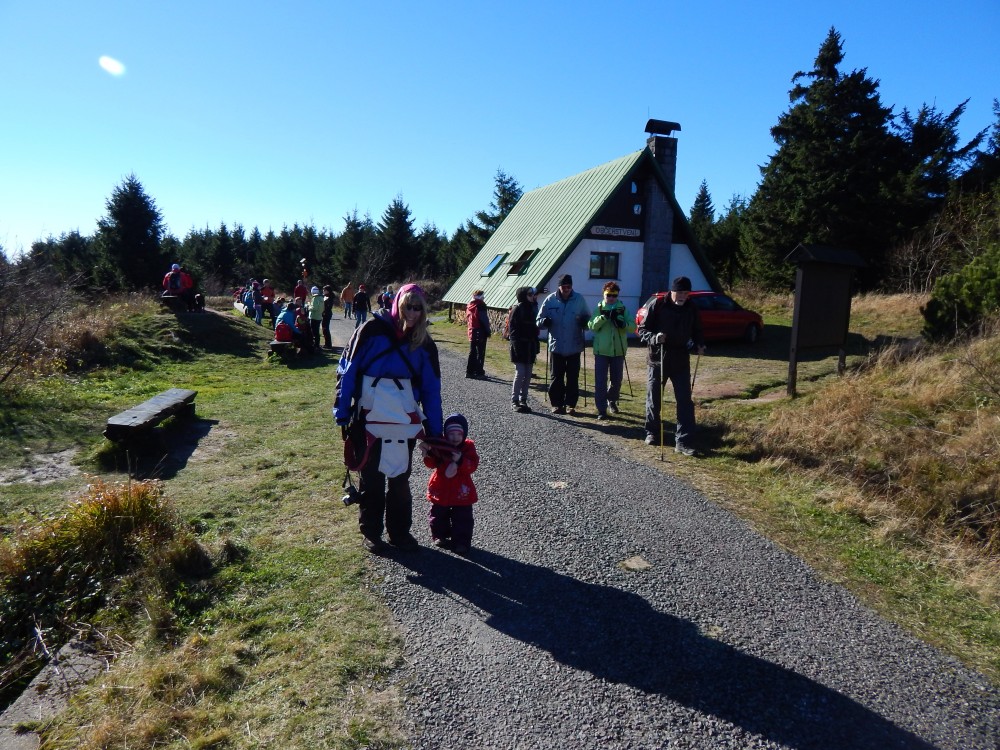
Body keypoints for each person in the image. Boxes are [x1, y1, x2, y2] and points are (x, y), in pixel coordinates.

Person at [335, 284, 443, 553]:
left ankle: (400, 533)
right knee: (371, 478)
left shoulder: (424, 344)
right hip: (367, 419)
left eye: (418, 308)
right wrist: (342, 410)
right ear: (397, 304)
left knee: (399, 479)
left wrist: (434, 431)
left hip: (403, 422)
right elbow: (348, 371)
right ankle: (371, 532)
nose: (413, 313)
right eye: (408, 306)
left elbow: (431, 390)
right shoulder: (369, 331)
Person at [637, 275, 706, 456]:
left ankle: (683, 442)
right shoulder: (658, 305)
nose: (683, 296)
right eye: (680, 293)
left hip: (681, 359)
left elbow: (697, 330)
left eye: (686, 293)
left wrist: (700, 344)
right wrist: (654, 337)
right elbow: (641, 330)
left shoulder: (691, 308)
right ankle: (652, 432)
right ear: (672, 291)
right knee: (654, 398)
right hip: (657, 358)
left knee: (685, 401)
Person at [419, 413, 479, 555]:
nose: (455, 438)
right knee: (438, 513)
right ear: (446, 434)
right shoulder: (441, 445)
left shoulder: (468, 447)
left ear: (464, 434)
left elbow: (472, 466)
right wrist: (428, 454)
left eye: (459, 434)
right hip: (441, 486)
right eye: (451, 434)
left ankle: (461, 542)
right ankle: (440, 535)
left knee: (463, 517)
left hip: (461, 488)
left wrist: (460, 460)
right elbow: (431, 464)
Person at [536, 274, 589, 415]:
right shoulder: (550, 299)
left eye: (569, 286)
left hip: (574, 345)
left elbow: (588, 319)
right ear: (559, 286)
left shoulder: (579, 299)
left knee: (573, 377)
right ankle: (557, 404)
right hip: (556, 345)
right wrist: (544, 322)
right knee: (556, 377)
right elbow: (538, 320)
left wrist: (585, 322)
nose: (566, 289)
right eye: (564, 286)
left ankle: (571, 405)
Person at [588, 281, 634, 420]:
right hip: (601, 351)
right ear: (604, 294)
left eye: (614, 295)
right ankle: (601, 409)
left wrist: (622, 323)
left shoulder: (623, 309)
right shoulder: (599, 308)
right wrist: (603, 317)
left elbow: (633, 327)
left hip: (618, 351)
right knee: (600, 382)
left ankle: (612, 401)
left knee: (617, 381)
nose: (611, 298)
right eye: (609, 295)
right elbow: (591, 326)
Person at [508, 286, 540, 412]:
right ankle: (515, 400)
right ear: (523, 296)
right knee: (520, 373)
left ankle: (523, 400)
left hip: (530, 346)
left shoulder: (533, 307)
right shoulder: (517, 309)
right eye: (529, 294)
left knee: (528, 374)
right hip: (519, 346)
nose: (533, 296)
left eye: (533, 294)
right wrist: (516, 346)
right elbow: (512, 330)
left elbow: (535, 327)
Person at [465, 289, 491, 378]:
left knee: (472, 352)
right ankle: (479, 372)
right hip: (480, 331)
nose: (484, 298)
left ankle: (469, 372)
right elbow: (484, 319)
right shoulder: (481, 305)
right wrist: (488, 331)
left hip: (472, 331)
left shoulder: (469, 305)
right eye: (483, 296)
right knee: (480, 352)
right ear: (480, 297)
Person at [308, 285, 324, 351]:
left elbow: (314, 308)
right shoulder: (321, 298)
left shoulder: (315, 298)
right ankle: (317, 344)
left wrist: (309, 306)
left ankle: (315, 345)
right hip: (319, 316)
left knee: (314, 332)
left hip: (314, 316)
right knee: (317, 331)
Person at [321, 284, 335, 349]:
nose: (323, 291)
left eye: (324, 290)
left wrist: (324, 312)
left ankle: (328, 344)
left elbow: (329, 307)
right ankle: (327, 343)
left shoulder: (330, 297)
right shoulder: (325, 296)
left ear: (328, 291)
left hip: (327, 314)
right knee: (324, 328)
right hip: (325, 314)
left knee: (325, 328)